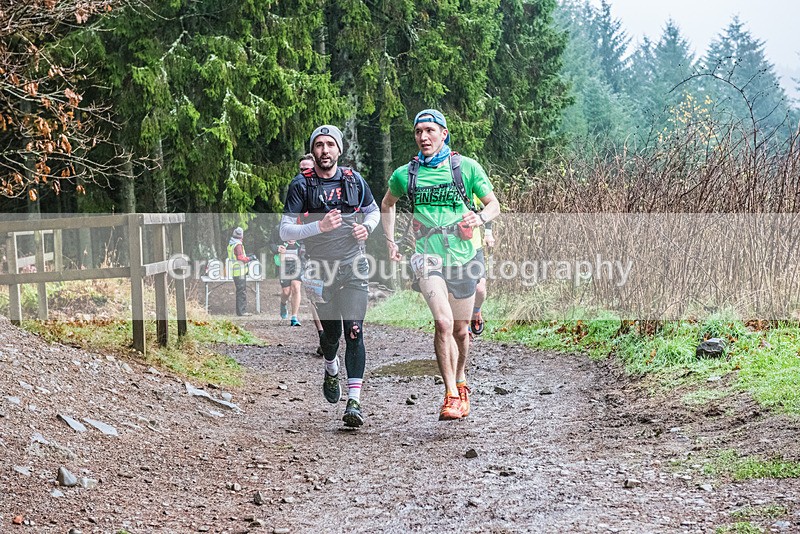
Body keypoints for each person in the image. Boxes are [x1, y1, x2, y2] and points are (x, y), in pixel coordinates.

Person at [381, 109, 499, 420]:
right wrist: (391, 240)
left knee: (461, 331)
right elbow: (387, 204)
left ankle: (461, 382)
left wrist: (481, 218)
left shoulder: (466, 168)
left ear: (443, 134)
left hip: (464, 254)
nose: (423, 137)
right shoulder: (405, 174)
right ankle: (448, 394)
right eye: (418, 131)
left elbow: (493, 204)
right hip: (427, 257)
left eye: (430, 131)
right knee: (444, 323)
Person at [280, 125, 380, 427]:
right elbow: (285, 230)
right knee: (332, 335)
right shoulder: (301, 185)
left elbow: (373, 211)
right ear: (313, 151)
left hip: (352, 266)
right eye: (319, 145)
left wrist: (368, 228)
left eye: (330, 145)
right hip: (319, 271)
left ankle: (354, 402)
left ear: (339, 149)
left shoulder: (354, 180)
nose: (324, 150)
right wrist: (318, 227)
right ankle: (330, 367)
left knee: (354, 331)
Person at [299, 154, 326, 355]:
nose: (305, 173)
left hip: (334, 251)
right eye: (301, 170)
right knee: (313, 294)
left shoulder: (329, 189)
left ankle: (333, 333)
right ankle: (322, 335)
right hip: (308, 251)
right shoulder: (298, 192)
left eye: (308, 168)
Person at [269, 224, 304, 326]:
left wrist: (302, 249)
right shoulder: (278, 228)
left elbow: (307, 243)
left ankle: (294, 317)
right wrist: (276, 248)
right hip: (284, 263)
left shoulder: (302, 226)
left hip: (298, 263)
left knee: (296, 287)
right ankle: (283, 304)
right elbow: (271, 243)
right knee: (286, 291)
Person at [469, 198, 495, 336]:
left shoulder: (471, 190)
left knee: (479, 289)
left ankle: (476, 311)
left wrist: (488, 233)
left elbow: (488, 207)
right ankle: (462, 325)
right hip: (451, 250)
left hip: (474, 247)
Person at [227, 226, 253, 316]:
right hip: (240, 272)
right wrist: (250, 258)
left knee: (240, 291)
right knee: (241, 292)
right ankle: (242, 312)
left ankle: (240, 311)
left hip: (235, 271)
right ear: (242, 236)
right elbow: (240, 258)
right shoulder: (238, 245)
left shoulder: (231, 244)